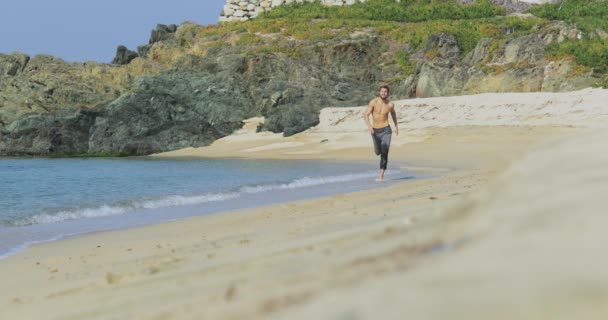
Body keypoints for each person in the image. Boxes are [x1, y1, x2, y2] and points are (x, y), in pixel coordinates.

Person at [363, 85, 399, 181]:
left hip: (386, 130)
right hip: (375, 131)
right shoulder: (373, 102)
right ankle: (378, 151)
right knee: (377, 152)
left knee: (384, 151)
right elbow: (366, 115)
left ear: (388, 93)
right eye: (382, 91)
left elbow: (393, 114)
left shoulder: (390, 105)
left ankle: (381, 176)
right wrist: (370, 127)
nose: (384, 93)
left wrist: (396, 126)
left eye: (385, 91)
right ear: (379, 92)